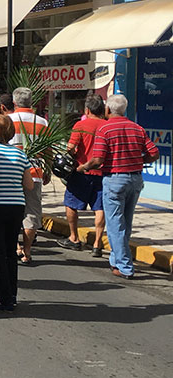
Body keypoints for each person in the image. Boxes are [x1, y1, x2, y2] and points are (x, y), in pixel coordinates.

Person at [80, 93, 159, 278]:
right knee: (126, 222)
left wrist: (83, 167)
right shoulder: (137, 129)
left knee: (115, 224)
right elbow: (153, 153)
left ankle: (125, 266)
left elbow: (98, 158)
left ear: (107, 109)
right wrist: (139, 160)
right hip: (135, 179)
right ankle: (116, 260)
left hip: (115, 179)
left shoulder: (105, 129)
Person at [0, 115, 34, 312]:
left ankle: (4, 298)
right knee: (11, 251)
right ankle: (12, 293)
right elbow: (28, 184)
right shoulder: (20, 155)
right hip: (16, 205)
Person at [60, 92, 106, 256]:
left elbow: (71, 148)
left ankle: (74, 237)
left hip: (81, 170)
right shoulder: (106, 126)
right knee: (100, 207)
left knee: (71, 203)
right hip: (102, 172)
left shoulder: (80, 126)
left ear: (87, 110)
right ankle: (97, 242)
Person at [9, 87, 48, 265]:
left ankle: (16, 246)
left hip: (11, 172)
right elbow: (48, 150)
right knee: (31, 213)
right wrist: (48, 170)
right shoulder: (42, 122)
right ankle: (27, 251)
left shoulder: (7, 120)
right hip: (34, 172)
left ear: (14, 102)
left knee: (12, 210)